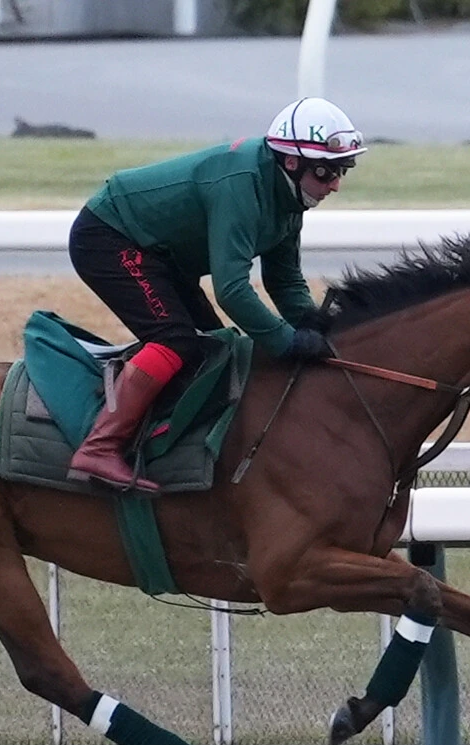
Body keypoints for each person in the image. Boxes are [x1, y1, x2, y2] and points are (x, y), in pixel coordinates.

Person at [66, 96, 367, 493]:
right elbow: (232, 289)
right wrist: (287, 342)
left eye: (342, 170)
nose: (336, 185)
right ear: (291, 161)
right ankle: (99, 448)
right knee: (175, 341)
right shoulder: (241, 184)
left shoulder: (289, 195)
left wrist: (321, 330)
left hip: (160, 254)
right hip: (109, 237)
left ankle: (166, 446)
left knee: (215, 349)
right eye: (327, 172)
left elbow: (285, 281)